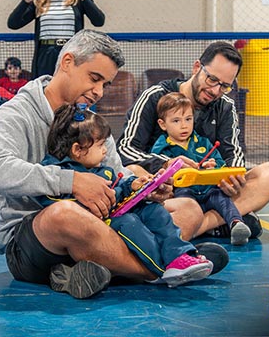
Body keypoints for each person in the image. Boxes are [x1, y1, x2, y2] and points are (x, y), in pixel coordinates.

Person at [0, 29, 227, 300]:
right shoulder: (16, 113)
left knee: (188, 208)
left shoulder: (91, 123)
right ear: (67, 63)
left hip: (102, 225)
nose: (98, 92)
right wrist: (72, 181)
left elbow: (115, 176)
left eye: (105, 84)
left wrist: (142, 190)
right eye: (94, 79)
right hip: (35, 243)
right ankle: (163, 268)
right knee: (65, 214)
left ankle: (94, 271)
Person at [117, 41, 269, 240]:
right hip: (167, 192)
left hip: (212, 192)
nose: (215, 91)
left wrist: (231, 177)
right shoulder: (154, 97)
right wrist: (166, 164)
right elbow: (125, 148)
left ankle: (195, 227)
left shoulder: (225, 106)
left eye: (225, 86)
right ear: (197, 67)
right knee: (134, 170)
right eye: (212, 79)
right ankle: (225, 221)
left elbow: (234, 154)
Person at [36, 103, 213, 289]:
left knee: (154, 211)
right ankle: (160, 270)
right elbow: (51, 202)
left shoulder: (101, 170)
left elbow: (119, 183)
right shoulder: (57, 172)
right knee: (130, 223)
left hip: (120, 211)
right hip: (101, 224)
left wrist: (134, 184)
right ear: (78, 150)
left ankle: (179, 255)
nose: (105, 150)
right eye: (100, 145)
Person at [150, 92, 251, 245]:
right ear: (163, 124)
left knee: (223, 200)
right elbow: (157, 172)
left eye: (188, 119)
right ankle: (190, 231)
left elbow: (220, 163)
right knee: (186, 205)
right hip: (184, 192)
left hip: (208, 190)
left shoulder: (203, 142)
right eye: (176, 121)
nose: (184, 125)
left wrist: (213, 166)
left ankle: (236, 224)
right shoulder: (160, 148)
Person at [7, 0, 105, 79]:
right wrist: (27, 0)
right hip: (46, 55)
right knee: (46, 93)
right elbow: (13, 24)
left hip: (72, 53)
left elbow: (99, 21)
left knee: (70, 93)